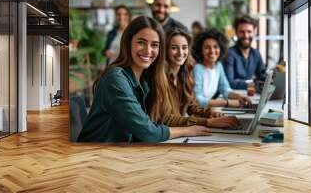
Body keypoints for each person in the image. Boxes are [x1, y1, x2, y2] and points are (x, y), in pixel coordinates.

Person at [78, 16, 212, 143]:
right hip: (94, 155)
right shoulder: (116, 79)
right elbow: (148, 131)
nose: (148, 51)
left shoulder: (146, 79)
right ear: (128, 42)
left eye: (154, 45)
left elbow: (159, 119)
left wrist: (205, 121)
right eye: (141, 42)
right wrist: (187, 131)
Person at [158, 28, 239, 129]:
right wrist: (207, 122)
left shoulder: (184, 75)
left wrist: (210, 114)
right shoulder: (160, 78)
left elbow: (191, 106)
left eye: (184, 47)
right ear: (165, 50)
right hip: (169, 137)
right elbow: (166, 119)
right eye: (174, 48)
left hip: (181, 131)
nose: (180, 53)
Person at [192, 28, 252, 108]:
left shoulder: (218, 66)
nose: (212, 51)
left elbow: (225, 89)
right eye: (207, 48)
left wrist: (240, 97)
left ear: (221, 48)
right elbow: (197, 100)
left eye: (215, 47)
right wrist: (226, 103)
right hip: (194, 113)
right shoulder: (197, 68)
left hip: (206, 111)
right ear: (201, 51)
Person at [223, 15, 267, 90]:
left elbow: (263, 77)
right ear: (236, 32)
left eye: (249, 32)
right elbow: (230, 82)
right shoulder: (229, 54)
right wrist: (254, 83)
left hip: (250, 95)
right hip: (233, 97)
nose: (246, 35)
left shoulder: (256, 54)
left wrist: (272, 77)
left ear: (254, 32)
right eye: (242, 32)